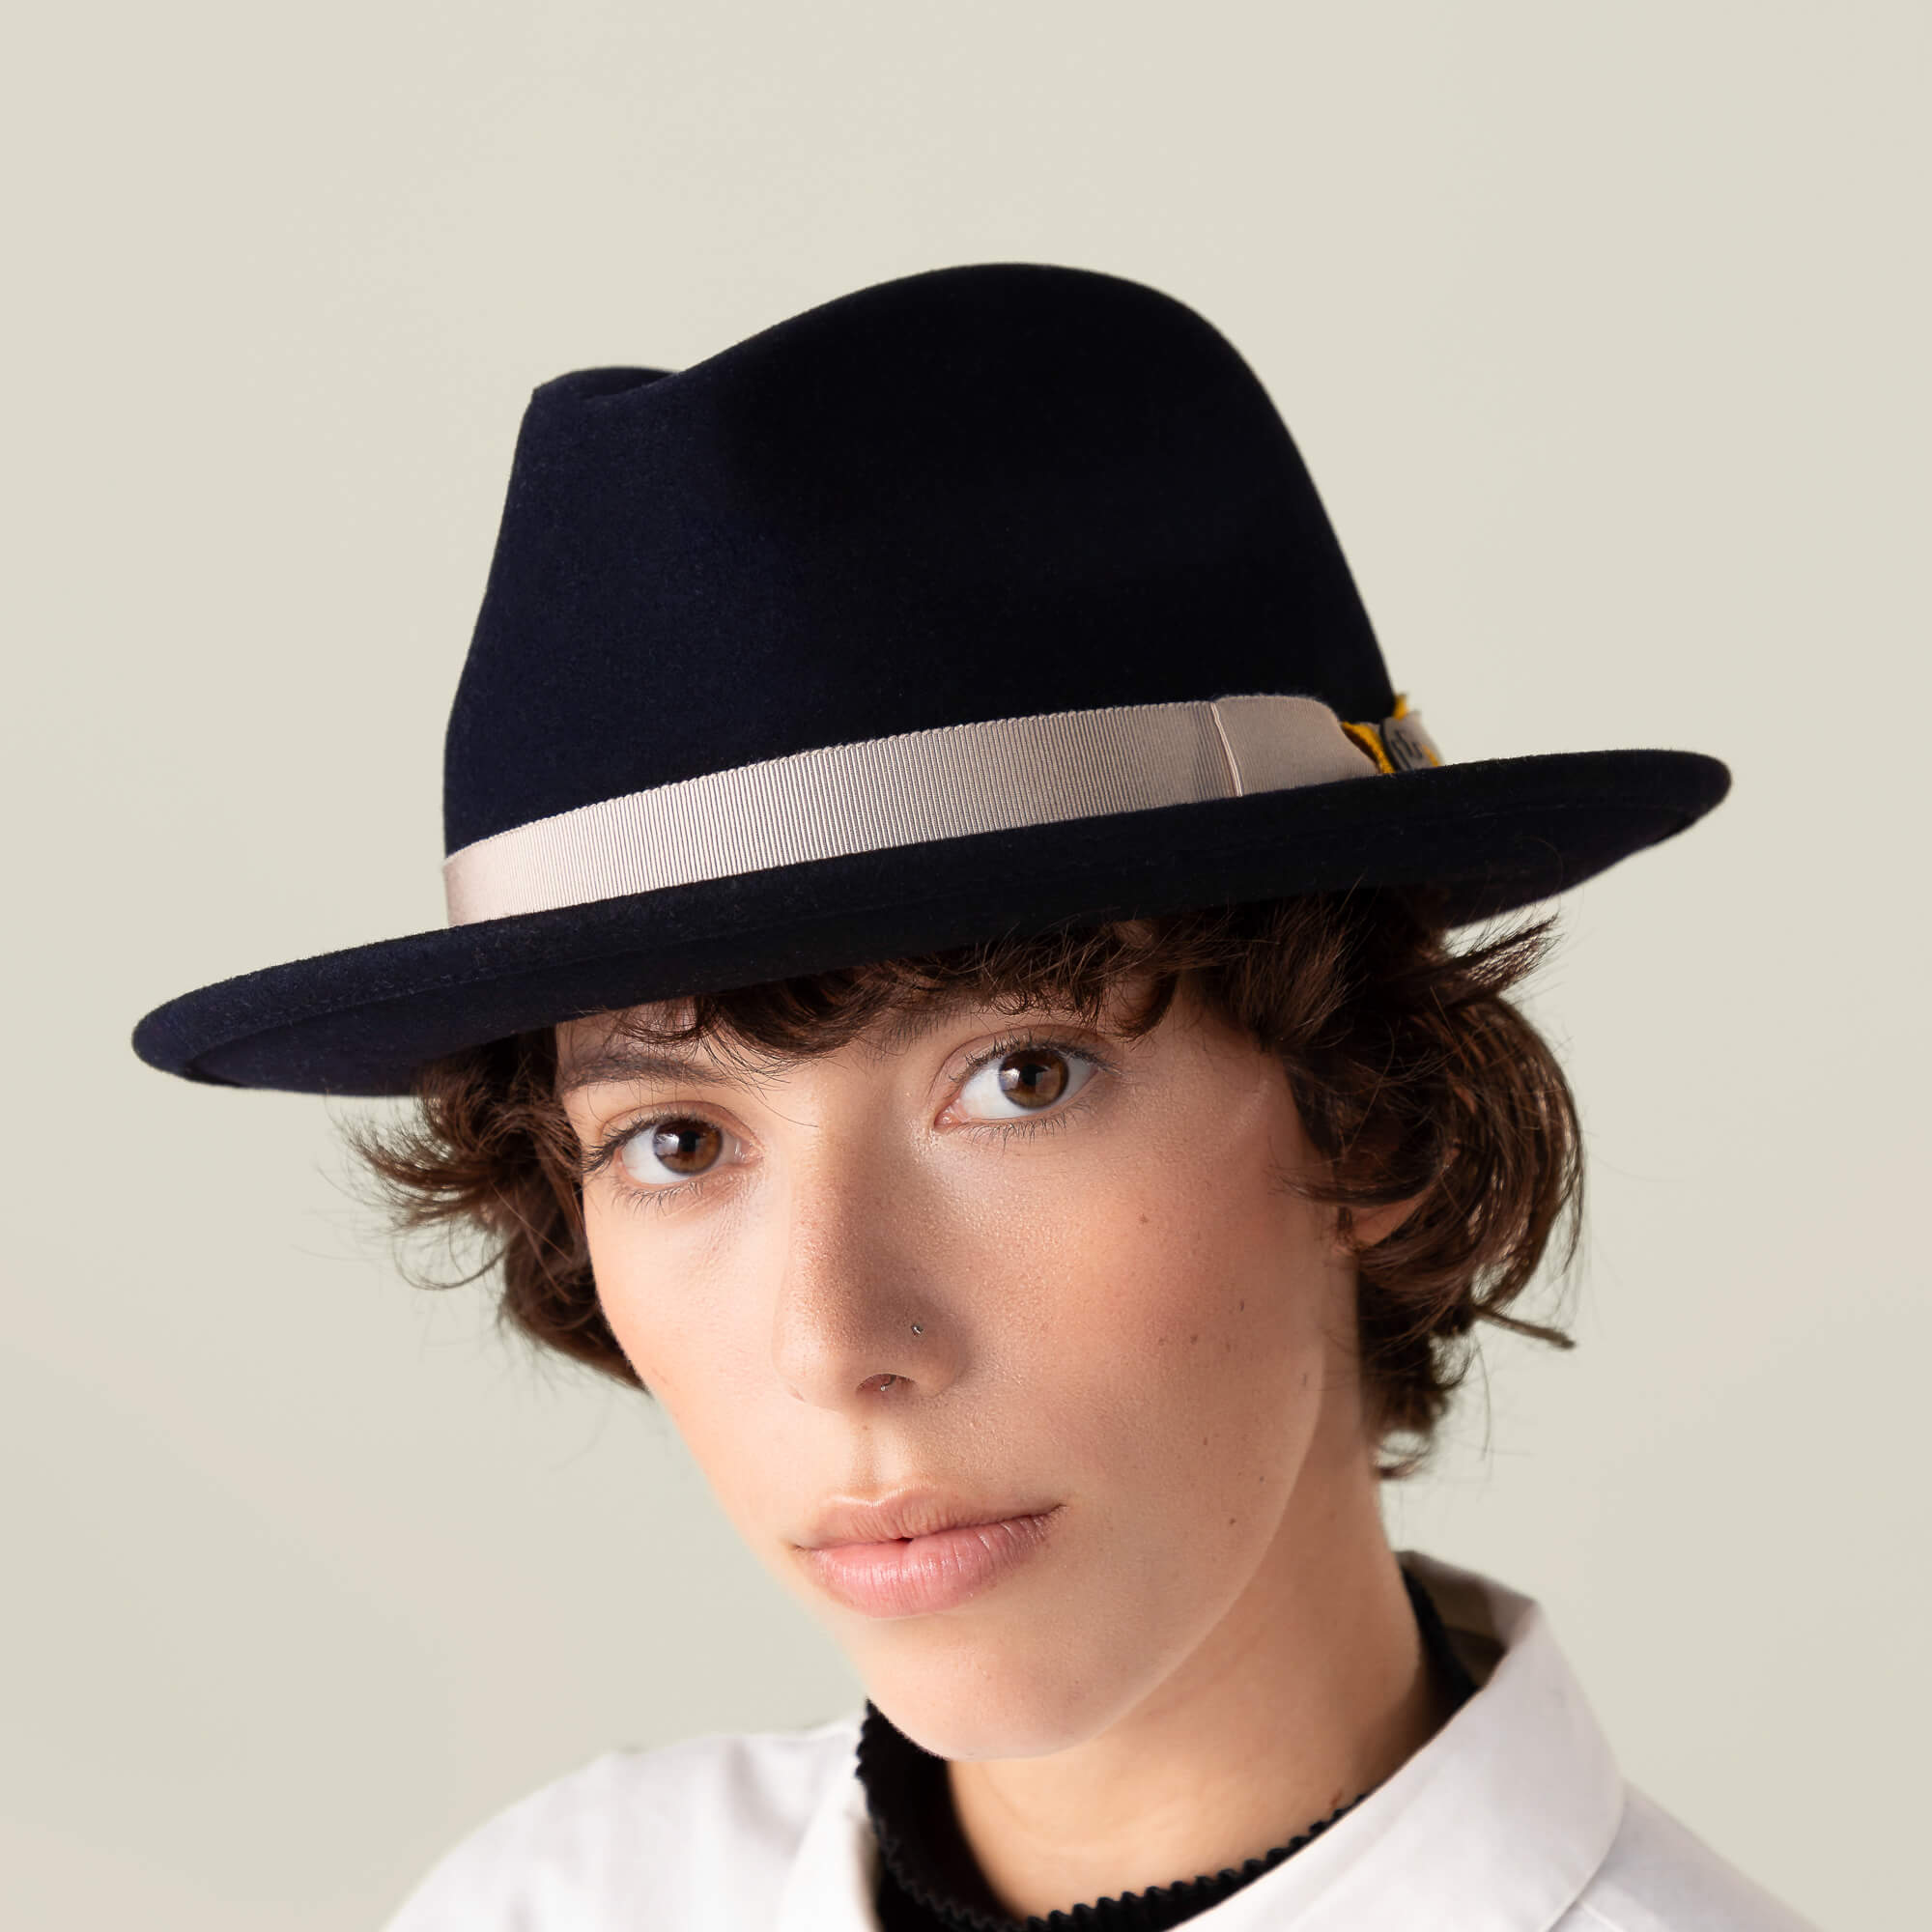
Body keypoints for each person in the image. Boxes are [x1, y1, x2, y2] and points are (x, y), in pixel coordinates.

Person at [132, 262, 1812, 1930]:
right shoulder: (554, 1905)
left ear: (1375, 1110)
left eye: (1021, 1077)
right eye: (678, 1140)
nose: (837, 1340)